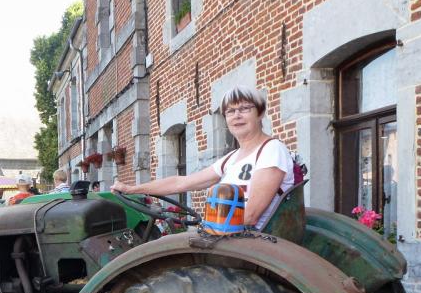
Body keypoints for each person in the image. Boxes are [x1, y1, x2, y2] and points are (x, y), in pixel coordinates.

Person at [111, 86, 294, 230]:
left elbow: (251, 215)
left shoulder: (271, 150)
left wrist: (209, 228)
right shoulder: (232, 158)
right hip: (230, 233)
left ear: (260, 113)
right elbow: (180, 183)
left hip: (250, 240)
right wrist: (132, 189)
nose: (237, 115)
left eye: (245, 108)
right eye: (230, 111)